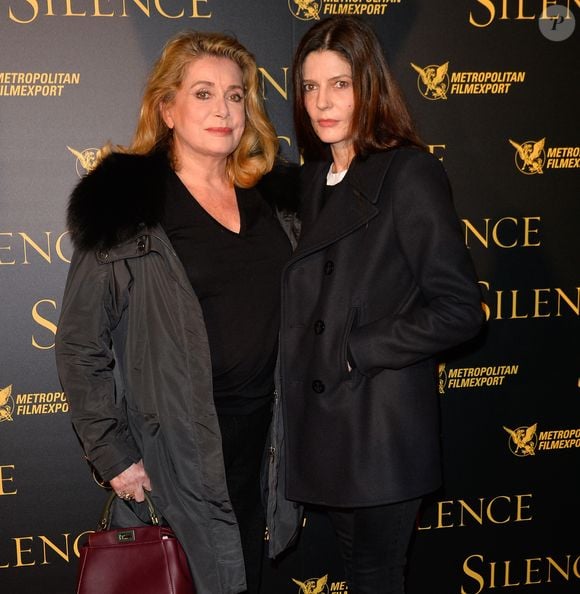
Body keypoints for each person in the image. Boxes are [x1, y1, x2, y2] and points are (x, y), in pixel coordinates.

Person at [55, 31, 298, 594]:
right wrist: (114, 455)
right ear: (167, 107)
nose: (223, 109)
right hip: (176, 460)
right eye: (204, 93)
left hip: (266, 444)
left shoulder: (278, 202)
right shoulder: (125, 207)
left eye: (236, 96)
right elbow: (79, 345)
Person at [266, 16, 484, 594]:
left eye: (340, 84)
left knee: (374, 576)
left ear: (369, 85)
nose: (321, 102)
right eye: (310, 87)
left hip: (380, 425)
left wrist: (355, 349)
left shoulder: (409, 173)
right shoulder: (313, 181)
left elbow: (461, 308)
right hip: (328, 424)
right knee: (356, 570)